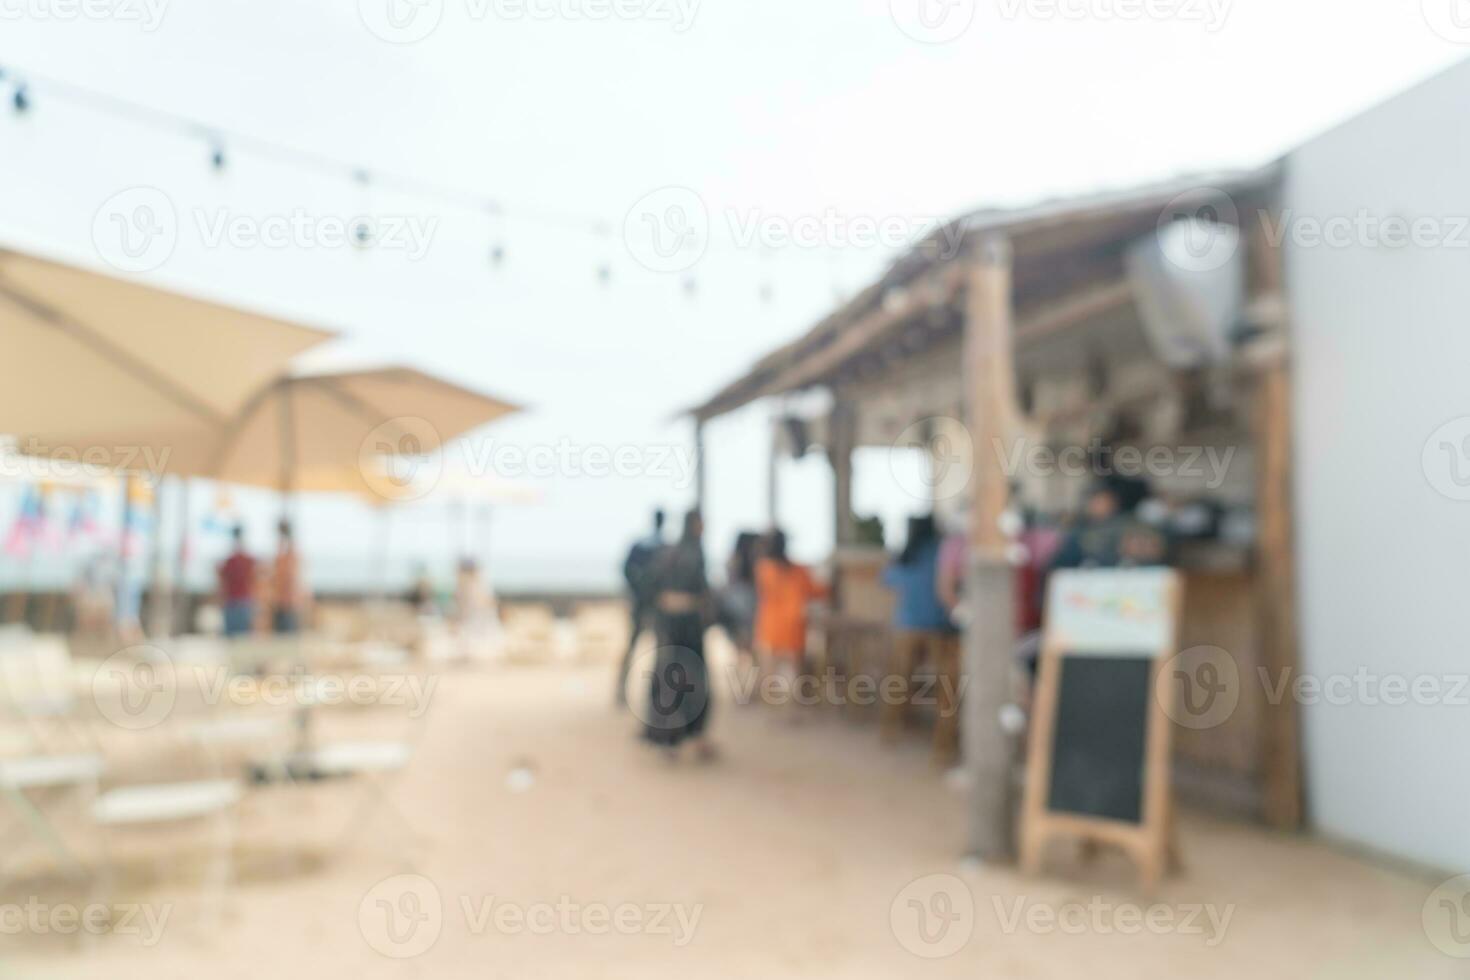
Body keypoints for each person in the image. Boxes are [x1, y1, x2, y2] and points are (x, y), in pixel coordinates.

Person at [881, 514, 960, 766]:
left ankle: (890, 730)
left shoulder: (906, 555)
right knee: (947, 689)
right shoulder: (944, 551)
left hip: (907, 627)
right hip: (942, 627)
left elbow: (886, 580)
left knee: (899, 681)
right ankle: (943, 746)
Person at [642, 509, 716, 761]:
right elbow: (703, 591)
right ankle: (682, 738)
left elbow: (649, 585)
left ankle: (677, 739)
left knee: (672, 678)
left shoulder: (668, 552)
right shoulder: (690, 552)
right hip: (684, 624)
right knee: (688, 680)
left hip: (671, 623)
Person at [753, 529, 828, 720]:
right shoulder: (799, 570)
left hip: (770, 625)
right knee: (794, 670)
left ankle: (772, 711)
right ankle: (791, 710)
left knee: (770, 670)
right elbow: (817, 591)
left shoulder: (763, 568)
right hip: (793, 625)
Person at [615, 509, 666, 706]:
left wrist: (636, 590)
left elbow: (627, 570)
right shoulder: (661, 547)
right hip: (649, 605)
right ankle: (634, 691)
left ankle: (630, 690)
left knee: (637, 647)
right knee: (652, 649)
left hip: (644, 604)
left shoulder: (646, 546)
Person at [718, 531, 761, 683]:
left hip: (734, 608)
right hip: (748, 608)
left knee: (739, 652)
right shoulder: (753, 561)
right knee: (752, 651)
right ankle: (751, 688)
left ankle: (740, 687)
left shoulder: (732, 560)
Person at [217, 524, 257, 638]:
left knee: (233, 640)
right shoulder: (247, 560)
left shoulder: (230, 561)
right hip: (240, 603)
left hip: (235, 603)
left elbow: (222, 584)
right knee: (242, 641)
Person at [271, 518, 306, 634]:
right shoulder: (285, 555)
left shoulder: (289, 556)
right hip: (283, 604)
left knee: (287, 638)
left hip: (288, 605)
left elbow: (287, 576)